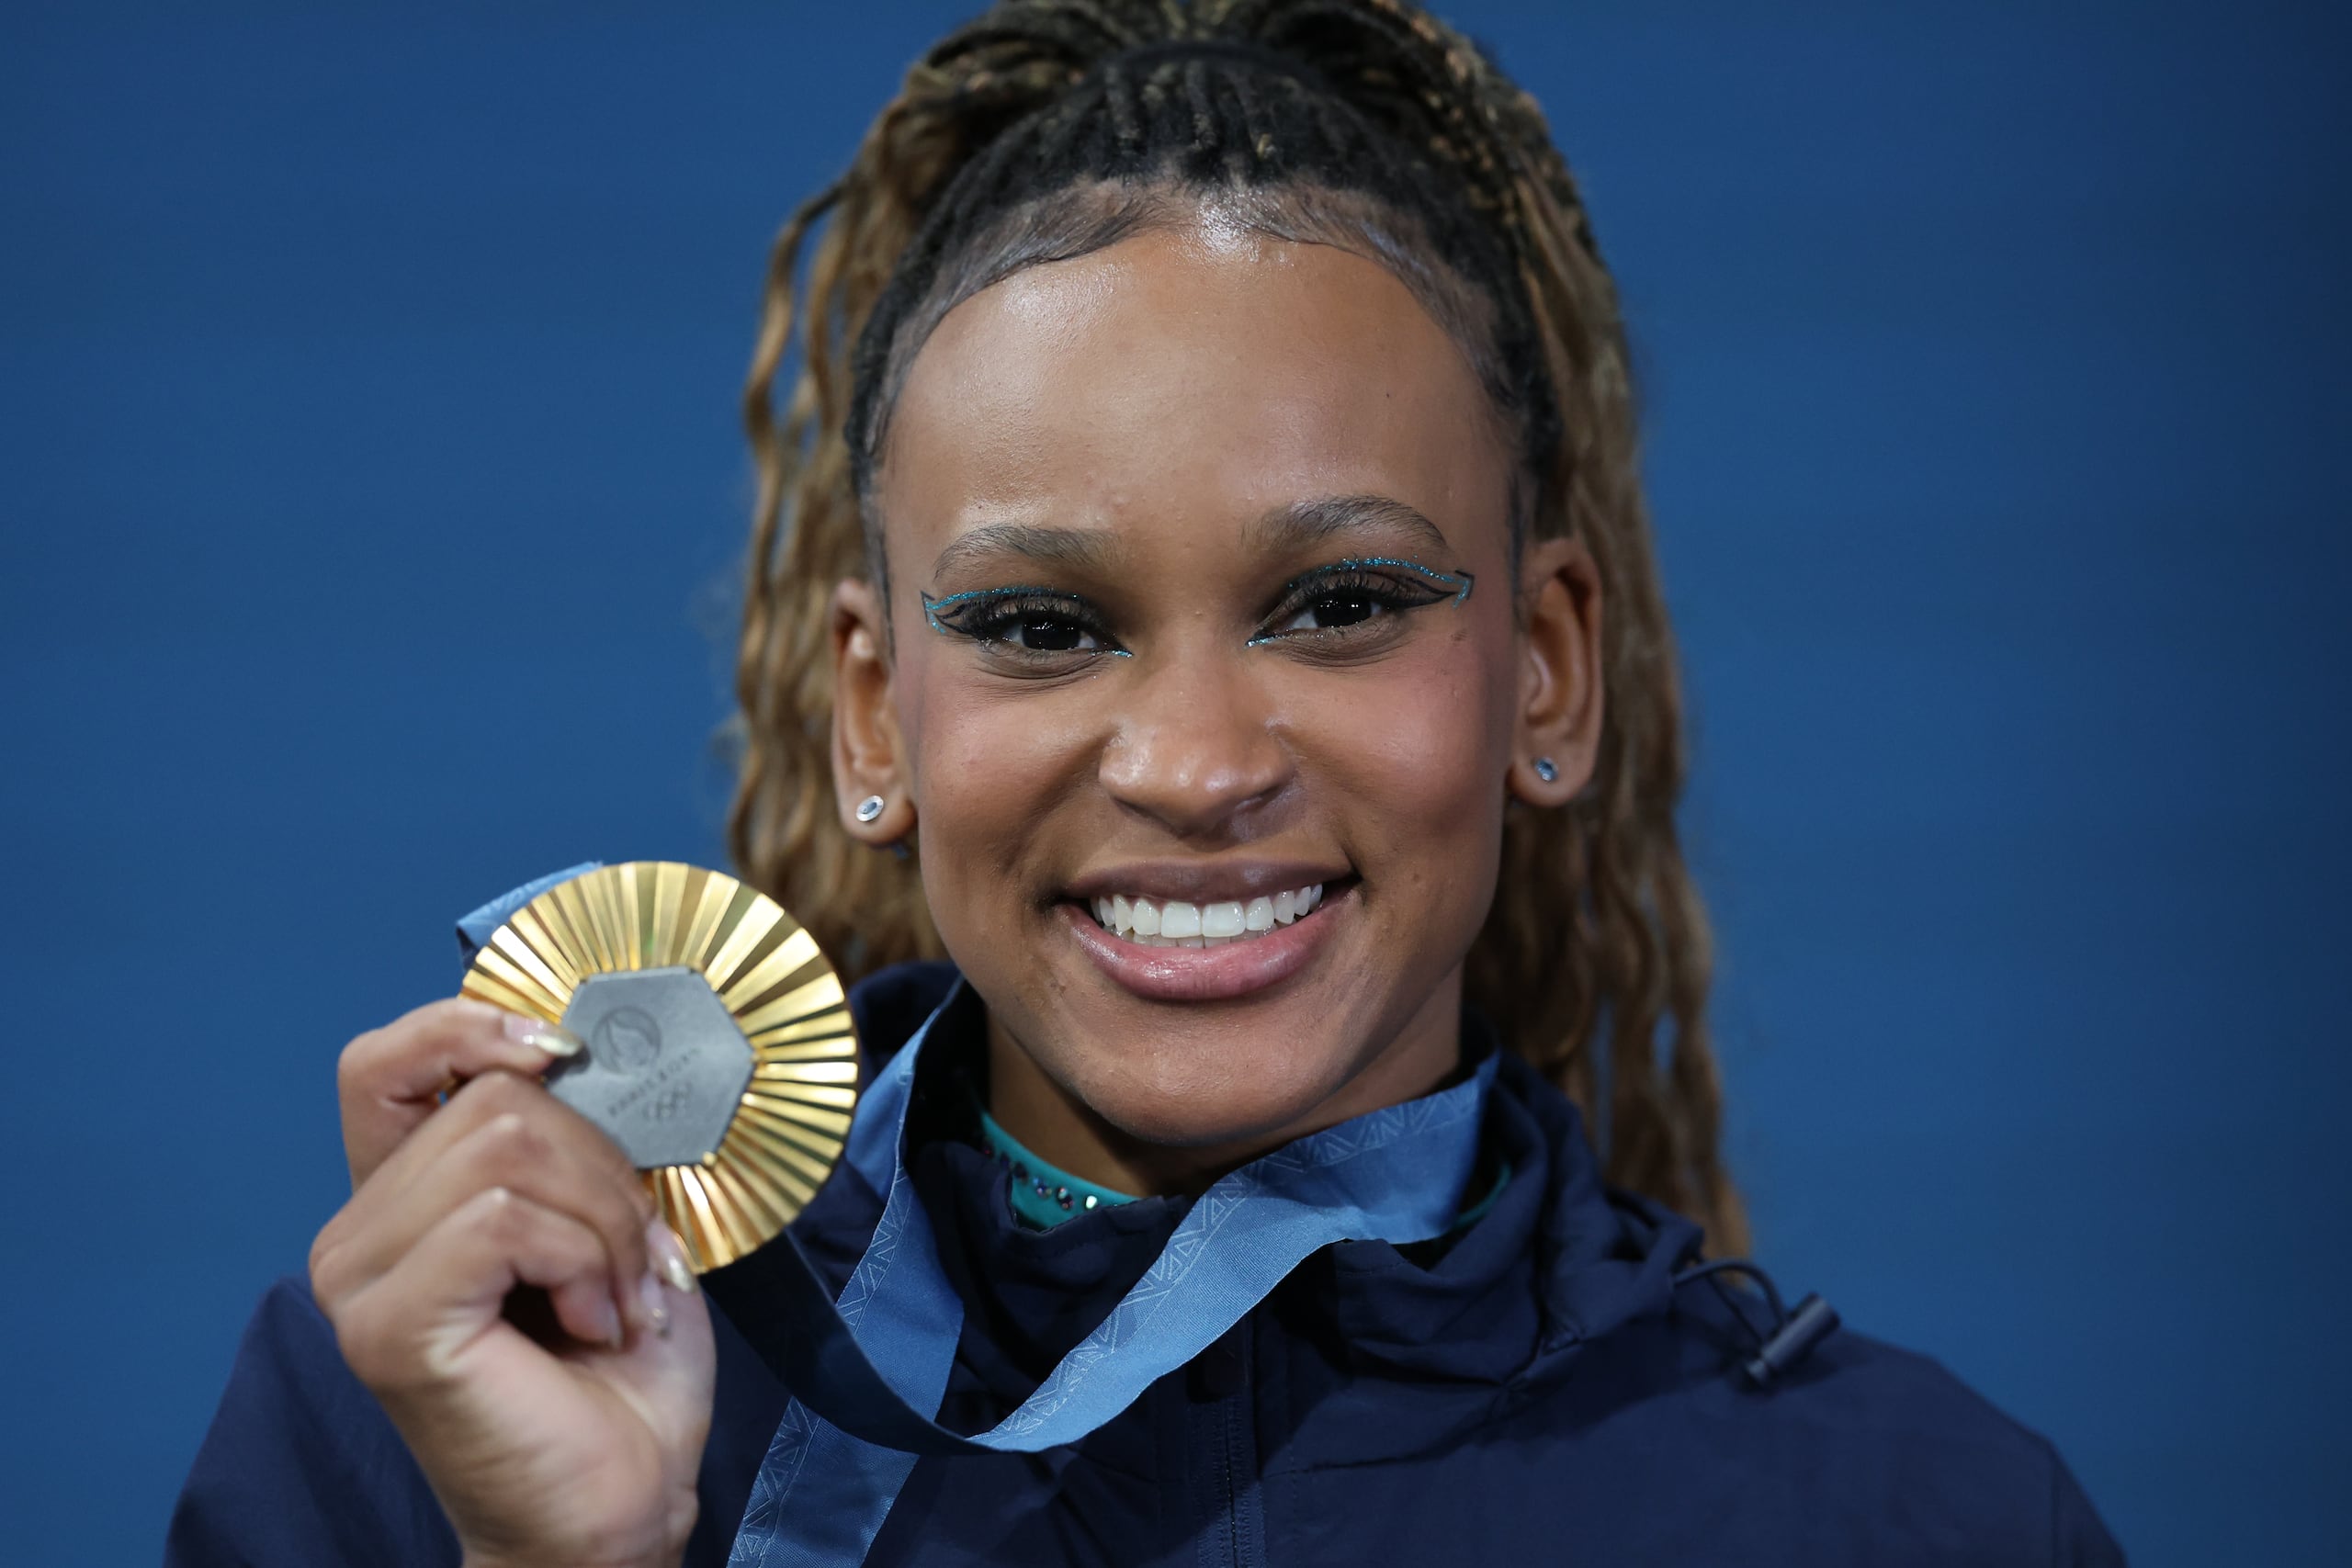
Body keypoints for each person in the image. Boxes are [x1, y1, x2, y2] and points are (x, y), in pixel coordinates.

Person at [168, 2, 2125, 1563]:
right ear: (873, 715)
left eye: (1340, 604)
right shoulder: (428, 1399)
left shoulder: (1913, 1518)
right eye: (1041, 623)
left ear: (1546, 666)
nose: (1194, 767)